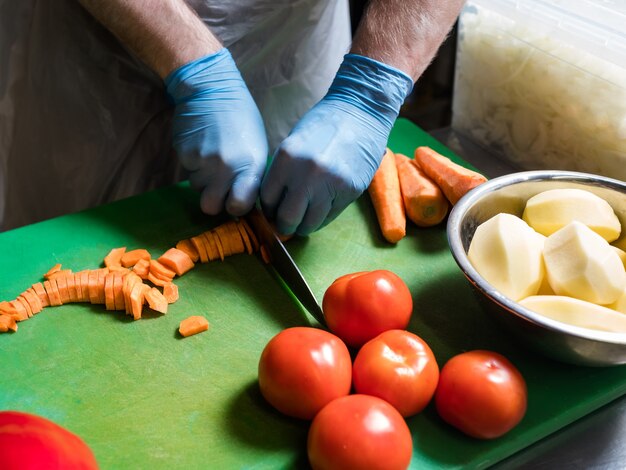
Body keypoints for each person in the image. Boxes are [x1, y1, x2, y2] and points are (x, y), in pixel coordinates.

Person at [0, 0, 464, 234]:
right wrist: (195, 67)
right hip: (93, 61)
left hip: (291, 48)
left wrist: (370, 91)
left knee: (291, 207)